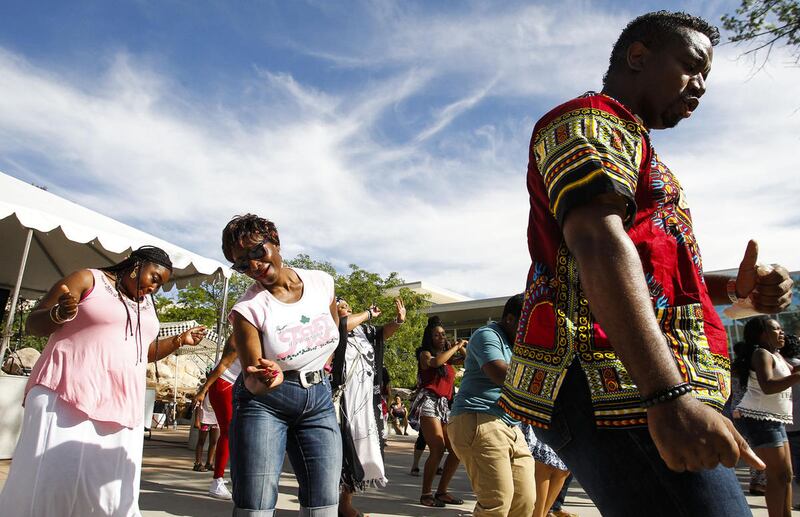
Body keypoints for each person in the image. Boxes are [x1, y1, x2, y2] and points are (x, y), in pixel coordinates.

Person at [497, 10, 793, 516]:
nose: (700, 86)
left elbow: (651, 269)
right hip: (615, 380)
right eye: (692, 66)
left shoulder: (633, 142)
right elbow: (596, 241)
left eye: (706, 77)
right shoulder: (588, 119)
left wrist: (735, 290)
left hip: (640, 384)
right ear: (639, 56)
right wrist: (668, 396)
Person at [0, 246, 206, 517]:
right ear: (136, 266)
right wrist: (59, 314)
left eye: (162, 285)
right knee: (53, 477)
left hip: (120, 402)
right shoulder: (88, 279)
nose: (155, 288)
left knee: (105, 487)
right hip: (66, 393)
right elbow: (33, 324)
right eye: (154, 278)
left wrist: (180, 340)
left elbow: (142, 352)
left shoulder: (144, 304)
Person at [222, 214, 342, 516]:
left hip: (319, 399)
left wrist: (318, 365)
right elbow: (251, 378)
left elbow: (334, 328)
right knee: (256, 504)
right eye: (242, 263)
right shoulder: (248, 309)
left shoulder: (322, 282)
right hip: (265, 404)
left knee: (325, 501)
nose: (253, 265)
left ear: (274, 240)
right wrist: (268, 377)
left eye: (256, 252)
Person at [447, 294, 535, 517]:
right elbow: (499, 373)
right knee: (497, 503)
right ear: (511, 319)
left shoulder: (522, 344)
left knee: (525, 501)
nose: (531, 331)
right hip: (479, 418)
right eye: (528, 324)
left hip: (512, 426)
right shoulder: (487, 334)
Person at [332, 297, 406, 517]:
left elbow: (384, 333)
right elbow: (341, 325)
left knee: (359, 450)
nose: (346, 309)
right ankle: (320, 501)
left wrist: (398, 321)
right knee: (338, 450)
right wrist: (367, 312)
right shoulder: (328, 326)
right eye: (341, 306)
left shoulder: (366, 331)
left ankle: (345, 504)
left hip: (365, 400)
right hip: (340, 399)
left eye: (348, 307)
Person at [734, 317, 800, 517]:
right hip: (759, 417)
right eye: (776, 329)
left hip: (773, 417)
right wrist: (797, 376)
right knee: (777, 474)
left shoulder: (775, 354)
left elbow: (789, 373)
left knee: (786, 475)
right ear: (762, 334)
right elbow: (768, 385)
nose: (782, 333)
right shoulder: (761, 354)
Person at [409, 316, 465, 507]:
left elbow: (467, 358)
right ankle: (426, 494)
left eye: (442, 334)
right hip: (428, 402)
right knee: (438, 448)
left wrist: (461, 346)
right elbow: (435, 363)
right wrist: (456, 347)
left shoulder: (449, 358)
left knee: (456, 450)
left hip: (444, 406)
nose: (441, 337)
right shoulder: (425, 354)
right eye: (436, 335)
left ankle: (442, 492)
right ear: (429, 337)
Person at [194, 337, 241, 500]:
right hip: (223, 385)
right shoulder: (240, 336)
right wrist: (203, 390)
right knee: (228, 432)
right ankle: (217, 482)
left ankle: (221, 476)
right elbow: (223, 365)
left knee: (235, 433)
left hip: (230, 386)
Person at [519, 424, 573, 517]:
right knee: (544, 463)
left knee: (563, 468)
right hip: (541, 417)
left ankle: (542, 514)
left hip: (568, 420)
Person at [193, 390, 219, 473]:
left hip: (216, 419)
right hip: (205, 419)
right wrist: (197, 420)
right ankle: (198, 463)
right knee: (201, 441)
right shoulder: (205, 390)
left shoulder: (219, 390)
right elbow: (198, 405)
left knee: (214, 441)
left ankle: (209, 463)